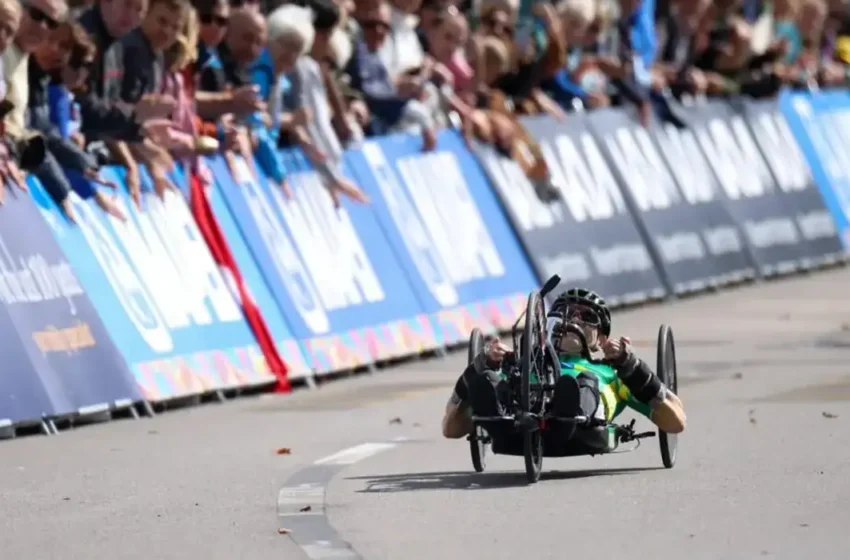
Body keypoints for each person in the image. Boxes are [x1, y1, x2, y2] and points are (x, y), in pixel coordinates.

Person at [441, 287, 686, 450]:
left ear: (600, 339)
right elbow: (451, 429)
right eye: (565, 313)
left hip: (582, 421)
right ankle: (499, 423)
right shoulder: (523, 367)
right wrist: (479, 367)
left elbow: (676, 421)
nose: (573, 321)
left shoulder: (614, 374)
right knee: (490, 380)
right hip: (515, 424)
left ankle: (569, 415)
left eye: (585, 316)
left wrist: (633, 367)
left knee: (584, 381)